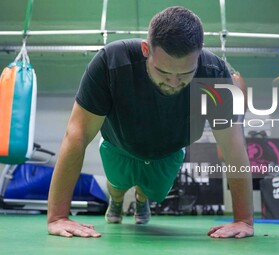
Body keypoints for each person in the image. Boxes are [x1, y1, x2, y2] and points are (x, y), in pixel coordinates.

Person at [47, 6, 253, 239]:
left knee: (154, 191)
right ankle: (116, 201)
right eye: (164, 72)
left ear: (199, 55)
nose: (174, 82)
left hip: (169, 152)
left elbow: (233, 146)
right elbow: (76, 135)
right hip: (120, 145)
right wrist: (57, 217)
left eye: (185, 74)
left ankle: (141, 198)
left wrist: (243, 220)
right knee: (117, 183)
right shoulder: (110, 63)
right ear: (146, 50)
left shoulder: (214, 74)